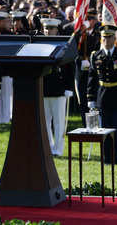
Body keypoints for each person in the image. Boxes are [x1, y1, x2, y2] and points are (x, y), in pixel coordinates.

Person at [87, 25, 117, 164]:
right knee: (104, 130)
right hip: (102, 97)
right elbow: (92, 78)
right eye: (104, 37)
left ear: (114, 39)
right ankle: (106, 157)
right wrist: (91, 98)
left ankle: (116, 157)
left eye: (109, 37)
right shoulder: (96, 56)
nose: (106, 40)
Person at [40, 18, 74, 157]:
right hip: (44, 88)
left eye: (51, 28)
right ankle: (48, 146)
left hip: (59, 88)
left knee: (59, 122)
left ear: (57, 30)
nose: (48, 31)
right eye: (46, 28)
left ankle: (58, 149)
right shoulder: (40, 45)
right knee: (45, 121)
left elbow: (70, 67)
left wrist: (69, 87)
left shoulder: (64, 46)